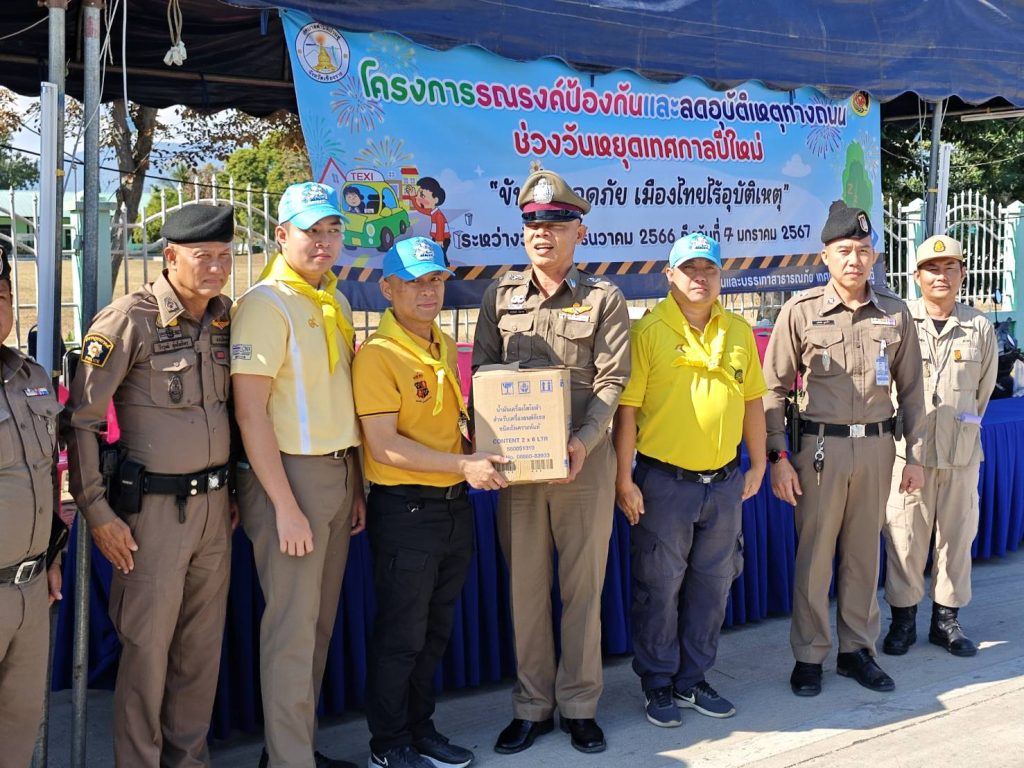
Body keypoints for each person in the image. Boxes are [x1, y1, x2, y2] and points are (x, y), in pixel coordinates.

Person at [66, 204, 237, 766]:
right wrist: (97, 511)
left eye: (224, 256)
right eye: (203, 256)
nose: (216, 268)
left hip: (214, 508)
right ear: (170, 257)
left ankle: (188, 761)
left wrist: (232, 492)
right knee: (147, 654)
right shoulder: (128, 319)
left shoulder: (224, 317)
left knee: (199, 654)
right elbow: (81, 421)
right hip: (153, 517)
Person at [473, 167, 631, 755]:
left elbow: (612, 382)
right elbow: (482, 374)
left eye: (557, 223)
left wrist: (582, 442)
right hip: (518, 469)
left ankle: (581, 705)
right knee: (526, 589)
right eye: (533, 223)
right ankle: (532, 706)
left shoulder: (604, 298)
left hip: (581, 466)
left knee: (582, 589)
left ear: (578, 231)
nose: (543, 233)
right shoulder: (499, 296)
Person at [354, 236, 507, 768]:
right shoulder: (379, 355)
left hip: (451, 506)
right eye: (415, 282)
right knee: (401, 635)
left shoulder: (440, 341)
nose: (428, 291)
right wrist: (464, 466)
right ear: (387, 288)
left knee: (433, 631)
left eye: (436, 279)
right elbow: (384, 446)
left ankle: (420, 729)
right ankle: (388, 744)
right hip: (408, 511)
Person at [763, 200, 926, 698]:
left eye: (862, 250)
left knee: (862, 555)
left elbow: (913, 391)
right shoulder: (801, 311)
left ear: (874, 256)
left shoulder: (895, 312)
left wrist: (915, 456)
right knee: (815, 556)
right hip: (819, 451)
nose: (854, 260)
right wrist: (777, 457)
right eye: (844, 251)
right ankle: (810, 655)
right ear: (826, 256)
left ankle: (857, 650)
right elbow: (772, 390)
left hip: (876, 448)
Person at [231, 182, 364, 768]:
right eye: (312, 230)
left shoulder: (333, 299)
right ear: (281, 234)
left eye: (333, 230)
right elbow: (250, 412)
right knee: (291, 630)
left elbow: (339, 399)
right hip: (289, 479)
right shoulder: (266, 303)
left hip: (334, 474)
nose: (325, 241)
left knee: (316, 625)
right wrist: (285, 505)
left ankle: (293, 750)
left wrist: (353, 481)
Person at [613, 233, 767, 728]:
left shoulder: (739, 330)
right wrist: (623, 480)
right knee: (659, 588)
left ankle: (692, 679)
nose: (700, 277)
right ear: (670, 276)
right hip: (665, 484)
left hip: (723, 483)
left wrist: (758, 464)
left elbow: (753, 402)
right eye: (690, 269)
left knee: (713, 587)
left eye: (709, 269)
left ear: (720, 276)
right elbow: (627, 412)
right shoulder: (648, 331)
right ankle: (658, 682)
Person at [881, 235, 997, 658]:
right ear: (916, 276)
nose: (941, 275)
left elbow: (982, 393)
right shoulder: (898, 322)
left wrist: (955, 431)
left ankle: (946, 621)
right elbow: (885, 385)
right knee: (904, 537)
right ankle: (903, 620)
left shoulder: (979, 327)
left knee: (957, 537)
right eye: (932, 268)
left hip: (961, 454)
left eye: (950, 267)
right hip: (906, 454)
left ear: (962, 274)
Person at [0, 245, 65, 767]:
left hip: (30, 586)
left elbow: (45, 476)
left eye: (1, 295)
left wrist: (52, 558)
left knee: (20, 726)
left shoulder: (33, 377)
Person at [411, 177, 450, 262]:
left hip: (443, 239)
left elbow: (440, 227)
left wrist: (439, 240)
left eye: (422, 195)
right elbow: (419, 209)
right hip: (437, 238)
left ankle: (445, 265)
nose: (419, 198)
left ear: (435, 200)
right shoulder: (432, 212)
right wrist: (413, 197)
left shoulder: (438, 215)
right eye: (418, 195)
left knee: (441, 255)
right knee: (438, 255)